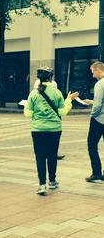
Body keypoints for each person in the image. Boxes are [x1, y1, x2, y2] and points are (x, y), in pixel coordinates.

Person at [24, 66, 78, 195]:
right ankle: (52, 181)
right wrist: (69, 100)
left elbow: (27, 113)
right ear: (51, 78)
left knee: (40, 157)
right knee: (52, 155)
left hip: (38, 129)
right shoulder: (57, 92)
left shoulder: (33, 93)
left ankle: (42, 185)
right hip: (54, 129)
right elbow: (63, 111)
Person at [82, 61, 104, 182]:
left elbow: (99, 105)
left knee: (91, 145)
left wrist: (92, 115)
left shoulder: (99, 84)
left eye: (93, 72)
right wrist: (92, 101)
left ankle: (96, 173)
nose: (92, 75)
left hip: (99, 119)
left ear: (98, 70)